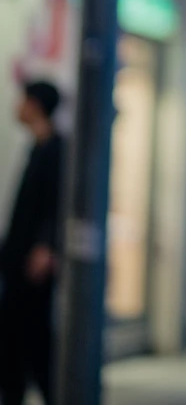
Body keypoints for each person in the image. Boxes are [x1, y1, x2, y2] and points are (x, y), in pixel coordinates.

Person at [0, 80, 64, 405]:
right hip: (18, 259)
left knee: (32, 339)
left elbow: (57, 206)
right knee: (16, 338)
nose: (16, 107)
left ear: (35, 104)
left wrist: (46, 246)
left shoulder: (55, 150)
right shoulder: (39, 147)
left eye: (22, 100)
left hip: (32, 264)